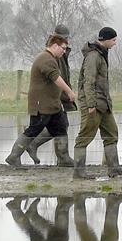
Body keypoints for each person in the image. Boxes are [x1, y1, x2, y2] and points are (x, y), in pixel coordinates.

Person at [5, 35, 83, 169]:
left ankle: (64, 158)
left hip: (53, 104)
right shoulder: (46, 59)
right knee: (33, 129)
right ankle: (14, 156)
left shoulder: (52, 58)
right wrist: (69, 92)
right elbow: (56, 78)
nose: (64, 51)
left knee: (60, 128)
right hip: (41, 104)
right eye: (63, 48)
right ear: (54, 46)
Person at [73, 28, 122, 177]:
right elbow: (88, 82)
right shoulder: (93, 56)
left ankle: (113, 168)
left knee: (111, 133)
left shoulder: (102, 54)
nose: (115, 43)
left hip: (104, 103)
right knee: (85, 136)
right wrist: (91, 104)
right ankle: (79, 172)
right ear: (105, 39)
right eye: (113, 40)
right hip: (93, 104)